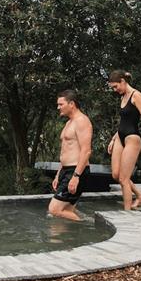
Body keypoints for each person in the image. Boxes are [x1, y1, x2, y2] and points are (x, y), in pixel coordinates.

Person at [107, 69, 141, 210]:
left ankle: (127, 213)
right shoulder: (122, 97)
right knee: (116, 174)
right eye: (112, 88)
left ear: (123, 81)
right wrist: (113, 139)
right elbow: (123, 121)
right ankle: (140, 196)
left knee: (123, 179)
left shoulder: (136, 95)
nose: (115, 90)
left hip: (132, 137)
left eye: (116, 86)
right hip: (120, 136)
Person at [48, 89, 92, 222]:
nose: (58, 107)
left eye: (61, 104)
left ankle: (87, 225)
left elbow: (86, 151)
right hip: (66, 171)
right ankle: (60, 241)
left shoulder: (82, 121)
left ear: (71, 104)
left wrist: (76, 177)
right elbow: (65, 151)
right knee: (66, 211)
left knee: (54, 209)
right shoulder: (69, 123)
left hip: (76, 170)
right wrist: (58, 174)